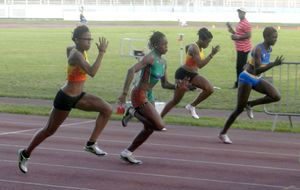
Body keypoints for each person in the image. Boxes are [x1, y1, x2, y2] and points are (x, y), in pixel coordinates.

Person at [17, 25, 111, 173]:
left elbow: (70, 50)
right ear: (77, 39)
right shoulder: (76, 55)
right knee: (49, 130)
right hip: (65, 98)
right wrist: (102, 53)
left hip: (78, 96)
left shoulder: (74, 49)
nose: (89, 42)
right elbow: (92, 72)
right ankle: (25, 153)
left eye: (90, 39)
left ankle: (91, 143)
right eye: (86, 39)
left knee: (107, 109)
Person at [118, 31, 179, 164]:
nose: (166, 46)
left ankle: (127, 152)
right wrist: (124, 93)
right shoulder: (149, 58)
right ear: (156, 45)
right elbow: (131, 70)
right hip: (139, 93)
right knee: (159, 125)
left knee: (149, 129)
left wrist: (179, 86)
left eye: (167, 44)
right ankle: (131, 111)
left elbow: (165, 84)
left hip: (149, 95)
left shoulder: (163, 62)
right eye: (164, 44)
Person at [219, 26, 284, 144]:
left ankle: (250, 104)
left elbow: (258, 65)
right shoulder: (258, 49)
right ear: (266, 37)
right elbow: (256, 70)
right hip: (247, 78)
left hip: (256, 79)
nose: (276, 39)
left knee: (276, 96)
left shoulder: (269, 49)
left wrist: (250, 63)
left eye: (276, 37)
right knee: (239, 109)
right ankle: (223, 133)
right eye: (274, 37)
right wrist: (274, 64)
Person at [160, 27, 220, 120]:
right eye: (207, 42)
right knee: (175, 101)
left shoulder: (197, 46)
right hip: (183, 74)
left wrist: (190, 62)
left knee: (209, 89)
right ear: (201, 39)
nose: (208, 44)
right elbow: (200, 65)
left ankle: (191, 106)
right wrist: (211, 55)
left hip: (192, 75)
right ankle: (159, 118)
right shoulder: (194, 48)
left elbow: (187, 47)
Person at [226, 7, 252, 89]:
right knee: (240, 66)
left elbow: (248, 35)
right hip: (240, 48)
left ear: (244, 13)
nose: (239, 14)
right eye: (238, 12)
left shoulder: (246, 23)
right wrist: (230, 29)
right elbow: (237, 33)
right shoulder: (240, 22)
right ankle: (240, 83)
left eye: (240, 12)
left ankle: (240, 83)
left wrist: (237, 38)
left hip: (244, 48)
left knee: (240, 67)